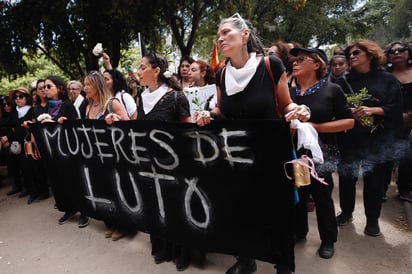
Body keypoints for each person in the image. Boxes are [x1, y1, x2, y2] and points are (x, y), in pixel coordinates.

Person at [195, 13, 311, 274]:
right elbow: (222, 111)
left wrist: (301, 109)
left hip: (272, 152)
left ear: (245, 34)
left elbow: (286, 104)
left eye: (227, 32)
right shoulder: (222, 72)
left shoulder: (271, 65)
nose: (221, 38)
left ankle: (283, 263)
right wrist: (207, 115)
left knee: (277, 209)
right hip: (236, 154)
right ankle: (246, 259)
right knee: (241, 208)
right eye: (219, 35)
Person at [288, 47, 354, 259]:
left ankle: (328, 239)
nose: (294, 63)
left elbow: (349, 121)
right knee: (300, 191)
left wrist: (315, 127)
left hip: (323, 154)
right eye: (294, 60)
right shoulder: (290, 93)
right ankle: (299, 231)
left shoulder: (331, 90)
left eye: (301, 59)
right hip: (297, 153)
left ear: (317, 64)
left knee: (322, 196)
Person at [335, 39, 403, 237]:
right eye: (350, 54)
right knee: (347, 176)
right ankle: (346, 212)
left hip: (376, 139)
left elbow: (397, 109)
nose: (351, 57)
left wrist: (375, 110)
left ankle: (372, 219)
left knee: (373, 180)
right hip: (349, 137)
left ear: (370, 55)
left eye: (356, 53)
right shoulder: (343, 81)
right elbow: (336, 107)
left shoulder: (388, 80)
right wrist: (350, 110)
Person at [136, 52, 192, 271]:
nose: (138, 72)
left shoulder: (176, 97)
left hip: (174, 167)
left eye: (142, 67)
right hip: (149, 165)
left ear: (156, 71)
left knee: (177, 207)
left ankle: (183, 250)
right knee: (155, 207)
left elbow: (187, 132)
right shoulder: (141, 98)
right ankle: (162, 247)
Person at [83, 70, 130, 239]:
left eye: (88, 84)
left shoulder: (113, 103)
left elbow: (130, 127)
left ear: (97, 85)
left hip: (115, 155)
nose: (85, 87)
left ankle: (123, 225)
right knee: (103, 189)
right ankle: (109, 222)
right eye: (85, 84)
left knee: (117, 189)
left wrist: (117, 120)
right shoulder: (88, 107)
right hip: (96, 155)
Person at [40, 75, 90, 228]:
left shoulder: (67, 105)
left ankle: (84, 211)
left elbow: (76, 126)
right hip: (53, 152)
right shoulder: (45, 107)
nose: (45, 90)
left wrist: (60, 123)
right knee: (60, 181)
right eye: (43, 88)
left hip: (69, 150)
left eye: (49, 87)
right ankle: (69, 209)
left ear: (59, 88)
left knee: (75, 181)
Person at [385, 42, 412, 202]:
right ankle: (381, 189)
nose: (396, 53)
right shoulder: (384, 75)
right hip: (390, 120)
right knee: (386, 155)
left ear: (408, 52)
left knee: (408, 157)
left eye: (400, 50)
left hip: (410, 122)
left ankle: (404, 189)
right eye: (392, 51)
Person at [3, 87, 33, 198]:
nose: (18, 99)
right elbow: (12, 125)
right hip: (18, 143)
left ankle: (35, 190)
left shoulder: (31, 110)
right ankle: (26, 188)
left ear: (27, 98)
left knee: (31, 167)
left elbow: (23, 126)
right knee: (22, 167)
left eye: (21, 96)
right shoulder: (14, 112)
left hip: (30, 142)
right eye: (16, 97)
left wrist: (19, 126)